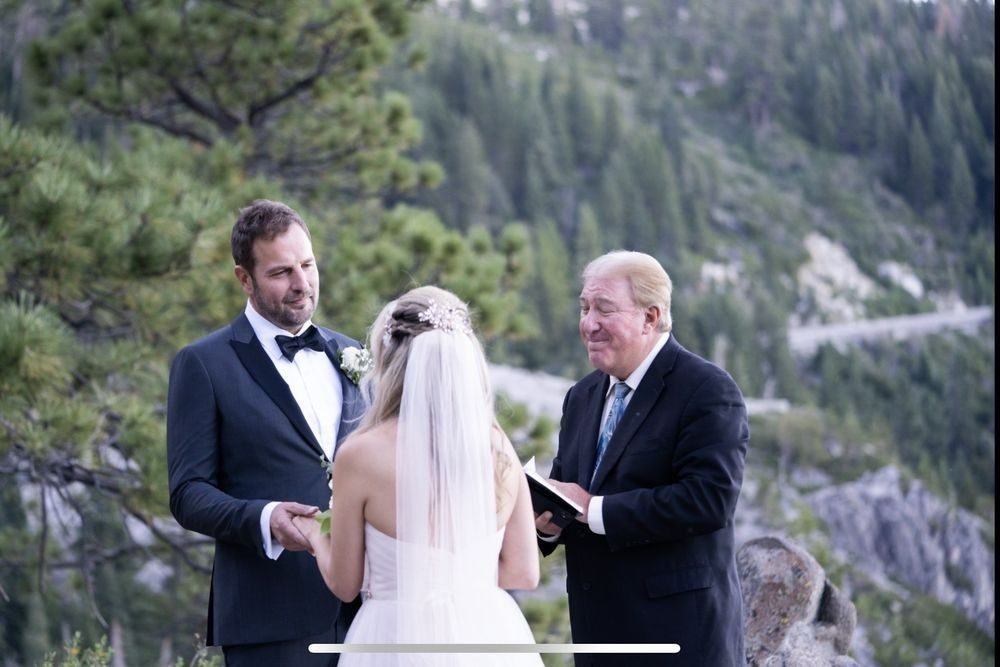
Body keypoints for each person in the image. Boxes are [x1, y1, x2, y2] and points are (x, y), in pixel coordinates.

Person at [294, 286, 542, 666]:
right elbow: (523, 572)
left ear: (390, 360)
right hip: (488, 633)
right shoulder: (496, 446)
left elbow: (345, 584)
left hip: (391, 637)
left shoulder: (361, 455)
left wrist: (314, 533)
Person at [167, 200, 364, 666]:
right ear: (244, 278)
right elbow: (187, 492)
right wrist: (266, 518)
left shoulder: (352, 352)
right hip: (270, 618)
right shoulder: (204, 364)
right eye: (281, 273)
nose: (302, 284)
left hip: (366, 611)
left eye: (308, 265)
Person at [536, 251, 749, 667]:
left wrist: (592, 510)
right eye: (583, 308)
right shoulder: (581, 397)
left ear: (651, 317)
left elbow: (708, 501)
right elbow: (569, 495)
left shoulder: (707, 389)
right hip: (598, 640)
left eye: (604, 309)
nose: (588, 323)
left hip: (678, 643)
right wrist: (547, 522)